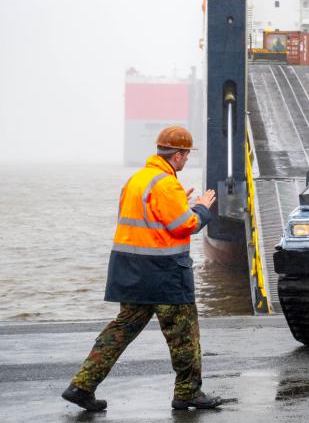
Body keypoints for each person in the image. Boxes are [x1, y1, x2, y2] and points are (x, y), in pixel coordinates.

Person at [62, 126, 222, 412]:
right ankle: (188, 393)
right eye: (186, 155)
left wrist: (178, 204)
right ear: (177, 155)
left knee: (120, 330)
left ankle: (82, 385)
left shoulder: (137, 180)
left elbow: (148, 219)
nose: (186, 161)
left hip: (131, 273)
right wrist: (200, 208)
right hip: (165, 274)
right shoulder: (165, 184)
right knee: (184, 335)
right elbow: (186, 225)